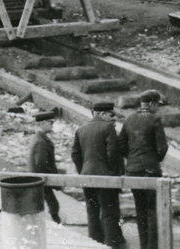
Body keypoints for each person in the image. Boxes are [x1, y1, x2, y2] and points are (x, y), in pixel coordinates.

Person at [118, 90, 168, 249]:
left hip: (133, 171)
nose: (158, 108)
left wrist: (132, 158)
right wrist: (154, 159)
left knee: (140, 209)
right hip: (150, 170)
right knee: (152, 209)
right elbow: (162, 147)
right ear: (152, 104)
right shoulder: (155, 119)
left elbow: (121, 144)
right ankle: (152, 246)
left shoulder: (129, 119)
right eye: (157, 105)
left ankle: (144, 245)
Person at [71, 101, 125, 249]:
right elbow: (113, 153)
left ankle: (94, 243)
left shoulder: (81, 129)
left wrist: (83, 170)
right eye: (110, 114)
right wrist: (113, 172)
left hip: (87, 177)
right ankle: (112, 245)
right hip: (105, 177)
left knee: (92, 211)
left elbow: (75, 154)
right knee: (109, 213)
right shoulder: (107, 127)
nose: (111, 118)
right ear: (102, 114)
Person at [27, 110, 62, 224]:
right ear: (42, 123)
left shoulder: (39, 139)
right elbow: (40, 163)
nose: (52, 125)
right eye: (50, 122)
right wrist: (50, 177)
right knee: (53, 206)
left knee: (50, 205)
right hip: (41, 180)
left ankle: (54, 223)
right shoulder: (41, 141)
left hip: (38, 180)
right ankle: (56, 224)